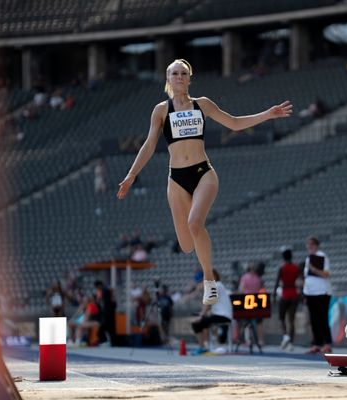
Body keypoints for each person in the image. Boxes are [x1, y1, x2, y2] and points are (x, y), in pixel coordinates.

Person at [117, 59, 292, 306]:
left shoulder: (203, 105)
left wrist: (267, 114)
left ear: (189, 78)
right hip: (176, 179)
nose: (179, 77)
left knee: (195, 223)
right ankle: (203, 265)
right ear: (168, 79)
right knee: (187, 245)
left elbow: (234, 123)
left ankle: (209, 280)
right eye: (174, 73)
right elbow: (149, 145)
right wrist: (131, 175)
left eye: (183, 73)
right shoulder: (161, 110)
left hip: (203, 173)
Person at [190, 269, 232, 354]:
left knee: (196, 323)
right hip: (222, 315)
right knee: (203, 322)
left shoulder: (216, 285)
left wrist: (201, 316)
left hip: (222, 316)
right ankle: (206, 344)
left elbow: (208, 304)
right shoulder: (218, 285)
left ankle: (202, 347)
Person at [303, 236, 332, 354]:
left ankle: (327, 343)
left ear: (317, 245)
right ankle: (317, 343)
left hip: (321, 292)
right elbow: (306, 277)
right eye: (308, 244)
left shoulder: (322, 257)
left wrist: (314, 269)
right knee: (314, 319)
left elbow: (326, 274)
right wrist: (305, 292)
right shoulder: (308, 259)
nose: (310, 246)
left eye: (312, 244)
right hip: (310, 292)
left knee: (322, 318)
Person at [273, 248, 301, 351]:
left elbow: (277, 283)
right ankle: (291, 343)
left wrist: (274, 296)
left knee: (281, 317)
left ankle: (285, 336)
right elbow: (302, 280)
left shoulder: (282, 268)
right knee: (291, 319)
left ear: (283, 257)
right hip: (294, 293)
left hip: (285, 293)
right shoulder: (296, 267)